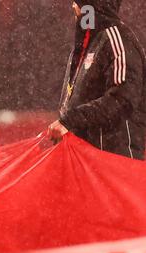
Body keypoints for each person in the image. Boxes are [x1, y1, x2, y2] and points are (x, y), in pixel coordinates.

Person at [48, 0, 146, 160]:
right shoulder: (84, 47)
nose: (73, 6)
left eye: (77, 2)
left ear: (92, 5)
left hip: (112, 164)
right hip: (87, 163)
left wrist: (70, 120)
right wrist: (66, 124)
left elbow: (122, 100)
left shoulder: (118, 39)